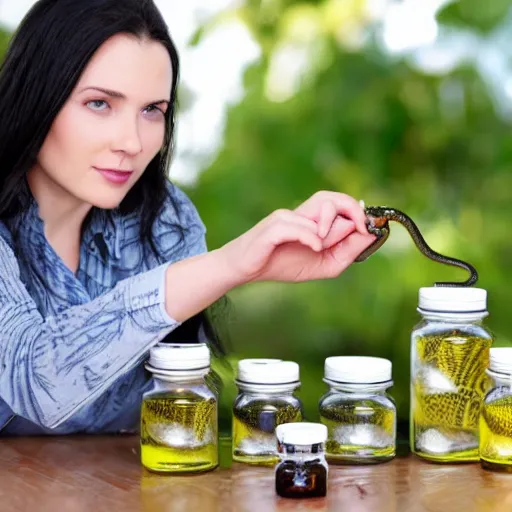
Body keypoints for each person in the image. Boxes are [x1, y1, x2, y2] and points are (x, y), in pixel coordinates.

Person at [0, 0, 375, 436]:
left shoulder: (165, 223)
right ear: (37, 96)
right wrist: (230, 264)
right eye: (100, 103)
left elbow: (178, 417)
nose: (132, 142)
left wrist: (259, 265)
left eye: (151, 110)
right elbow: (36, 378)